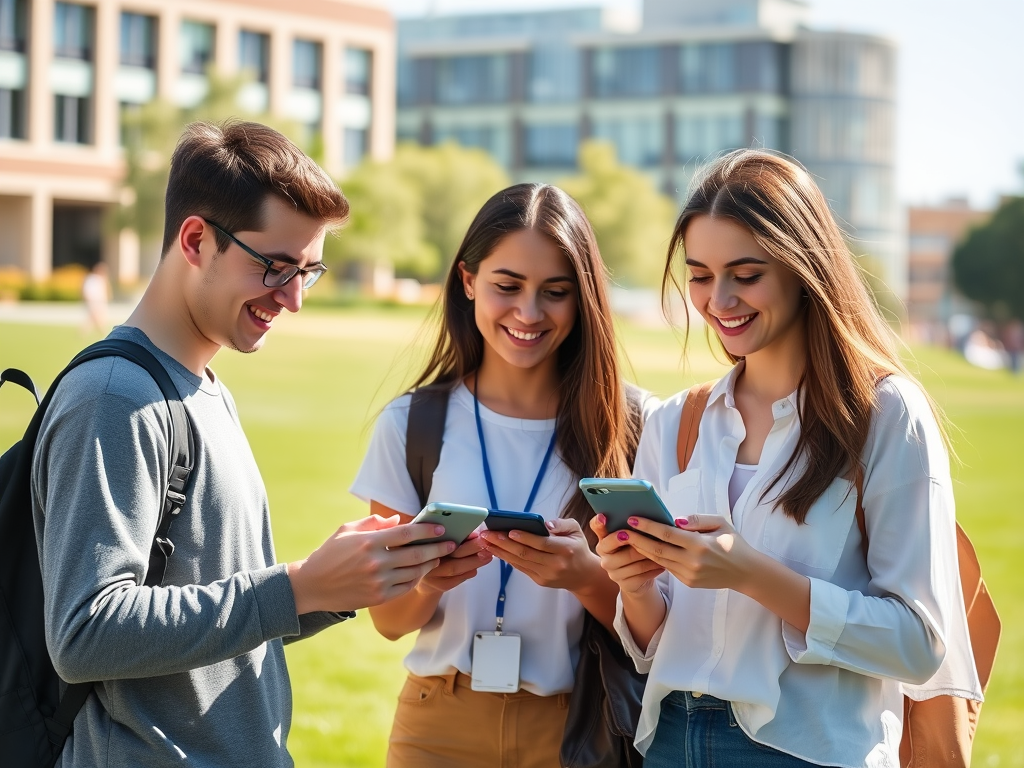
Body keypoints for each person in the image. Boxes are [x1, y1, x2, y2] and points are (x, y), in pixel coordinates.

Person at [31, 121, 454, 768]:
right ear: (196, 241)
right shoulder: (114, 397)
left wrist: (336, 585)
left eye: (308, 271)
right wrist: (297, 588)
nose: (294, 299)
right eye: (276, 267)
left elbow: (219, 620)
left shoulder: (204, 386)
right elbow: (86, 632)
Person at [593, 150, 983, 767]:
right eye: (700, 275)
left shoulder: (885, 414)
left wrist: (751, 574)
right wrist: (634, 585)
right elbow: (657, 640)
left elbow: (919, 643)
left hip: (807, 751)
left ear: (804, 268)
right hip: (672, 743)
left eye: (746, 274)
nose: (719, 300)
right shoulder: (675, 422)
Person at [350, 183, 646, 767]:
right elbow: (388, 622)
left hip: (576, 729)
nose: (528, 313)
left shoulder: (634, 425)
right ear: (467, 281)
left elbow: (662, 628)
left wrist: (586, 578)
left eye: (555, 292)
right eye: (507, 286)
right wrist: (428, 582)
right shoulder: (412, 423)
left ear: (583, 298)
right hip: (437, 726)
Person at [81, 261, 111, 332]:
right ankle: (103, 332)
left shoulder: (101, 279)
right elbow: (87, 290)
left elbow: (105, 290)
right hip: (94, 301)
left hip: (100, 301)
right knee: (95, 318)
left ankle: (101, 331)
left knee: (95, 318)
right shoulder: (91, 279)